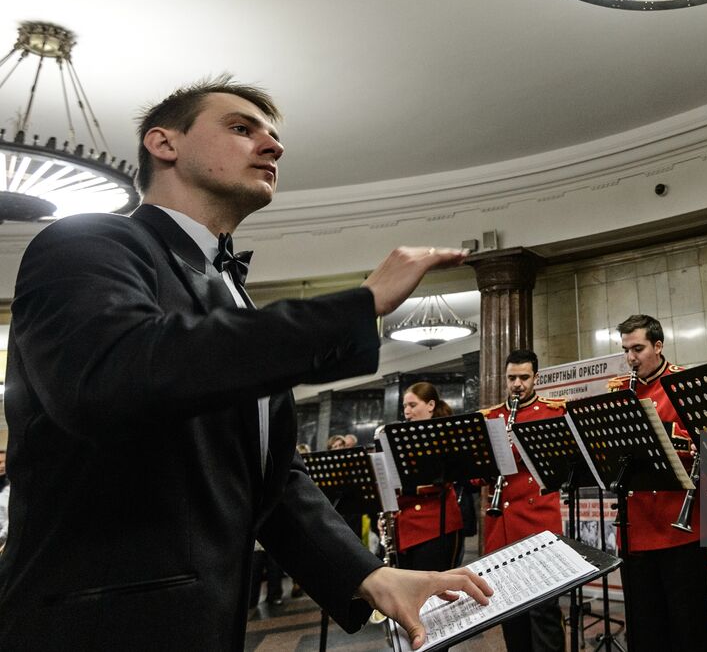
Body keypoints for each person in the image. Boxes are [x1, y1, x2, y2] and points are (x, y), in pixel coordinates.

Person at [0, 76, 490, 651]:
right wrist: (359, 304)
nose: (272, 146)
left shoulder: (229, 291)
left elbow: (268, 479)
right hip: (98, 622)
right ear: (164, 144)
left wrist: (369, 576)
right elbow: (110, 376)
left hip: (206, 619)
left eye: (274, 137)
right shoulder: (87, 241)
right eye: (240, 128)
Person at [605, 314, 707, 652]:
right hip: (636, 527)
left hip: (678, 526)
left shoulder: (685, 384)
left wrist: (675, 441)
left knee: (688, 626)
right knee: (645, 627)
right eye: (626, 350)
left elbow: (704, 443)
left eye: (638, 348)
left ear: (658, 345)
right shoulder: (620, 391)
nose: (631, 357)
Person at [480, 349, 567, 652]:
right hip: (501, 525)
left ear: (536, 378)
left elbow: (562, 468)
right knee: (510, 611)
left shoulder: (553, 412)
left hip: (538, 525)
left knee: (543, 610)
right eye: (511, 378)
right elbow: (478, 477)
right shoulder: (490, 418)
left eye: (524, 378)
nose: (517, 384)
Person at [394, 382, 466, 572]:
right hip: (405, 523)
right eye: (404, 406)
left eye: (412, 405)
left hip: (435, 522)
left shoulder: (447, 435)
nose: (407, 412)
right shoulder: (400, 438)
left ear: (431, 406)